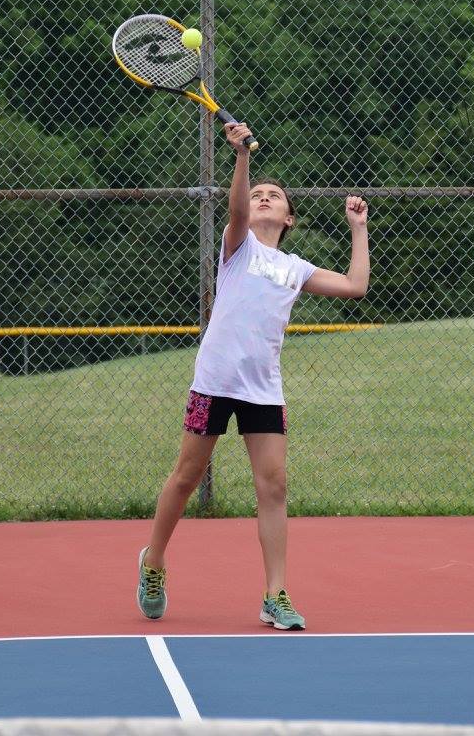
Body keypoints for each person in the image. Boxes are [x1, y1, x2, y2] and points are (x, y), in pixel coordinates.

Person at [137, 120, 370, 630]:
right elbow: (237, 209)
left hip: (263, 388)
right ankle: (153, 560)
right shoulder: (237, 246)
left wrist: (358, 229)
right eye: (259, 192)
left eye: (275, 195)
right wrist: (241, 156)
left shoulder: (295, 268)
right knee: (186, 475)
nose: (264, 198)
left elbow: (355, 285)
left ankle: (275, 593)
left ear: (289, 217)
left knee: (274, 486)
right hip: (215, 381)